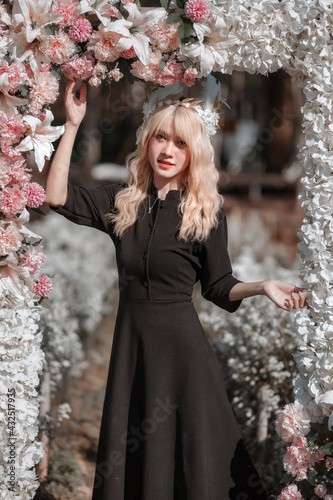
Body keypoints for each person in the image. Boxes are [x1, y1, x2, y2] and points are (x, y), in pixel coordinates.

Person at [45, 79, 307, 500]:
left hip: (184, 354)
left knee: (196, 464)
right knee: (135, 458)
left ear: (194, 154)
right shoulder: (123, 201)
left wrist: (263, 286)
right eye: (161, 138)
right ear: (147, 143)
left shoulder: (205, 214)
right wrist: (72, 125)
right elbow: (56, 197)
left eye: (181, 143)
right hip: (133, 348)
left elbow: (218, 286)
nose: (168, 151)